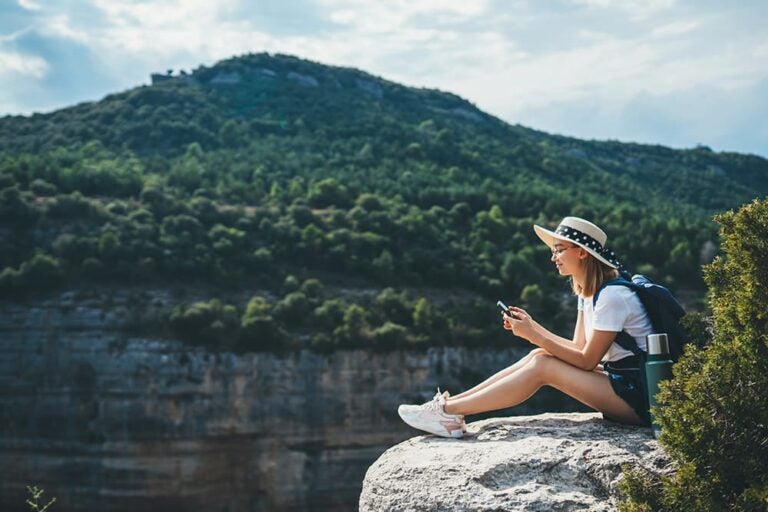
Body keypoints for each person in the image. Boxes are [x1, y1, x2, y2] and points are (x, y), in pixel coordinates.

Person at [397, 216, 653, 438]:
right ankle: (449, 407)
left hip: (641, 397)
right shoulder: (589, 293)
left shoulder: (613, 296)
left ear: (582, 252)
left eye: (560, 249)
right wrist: (535, 330)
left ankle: (448, 413)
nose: (553, 257)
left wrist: (533, 335)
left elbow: (586, 361)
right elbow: (577, 347)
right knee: (539, 355)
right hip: (624, 382)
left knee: (543, 365)